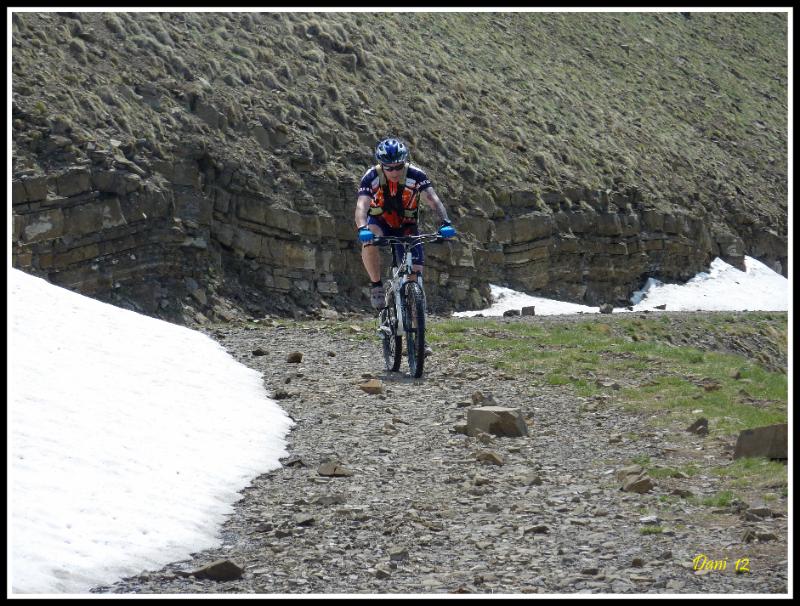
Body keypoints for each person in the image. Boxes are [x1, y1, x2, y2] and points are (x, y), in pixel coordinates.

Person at [354, 137, 457, 309]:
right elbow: (361, 206)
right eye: (389, 168)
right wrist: (362, 227)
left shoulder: (416, 175)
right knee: (369, 239)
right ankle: (377, 285)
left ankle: (415, 324)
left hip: (407, 225)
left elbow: (432, 199)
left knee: (415, 275)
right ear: (381, 165)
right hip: (379, 222)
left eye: (399, 167)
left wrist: (445, 222)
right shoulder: (371, 176)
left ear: (405, 162)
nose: (395, 172)